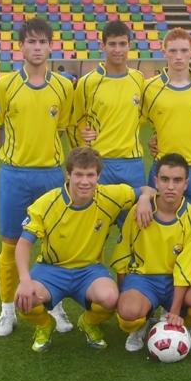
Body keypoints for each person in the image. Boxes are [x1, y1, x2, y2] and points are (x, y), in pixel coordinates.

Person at [14, 147, 156, 352]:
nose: (85, 181)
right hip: (51, 269)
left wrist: (143, 199)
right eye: (79, 174)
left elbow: (148, 190)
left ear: (98, 176)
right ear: (68, 174)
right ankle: (45, 324)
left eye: (91, 175)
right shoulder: (46, 203)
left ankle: (88, 322)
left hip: (90, 270)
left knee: (110, 298)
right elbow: (23, 244)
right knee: (23, 299)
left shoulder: (110, 196)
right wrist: (25, 281)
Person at [0, 17, 75, 338]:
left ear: (51, 46)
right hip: (14, 176)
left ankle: (54, 306)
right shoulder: (4, 85)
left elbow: (64, 128)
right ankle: (6, 310)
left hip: (51, 176)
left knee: (54, 246)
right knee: (10, 246)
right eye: (31, 42)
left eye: (43, 42)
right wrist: (15, 153)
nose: (37, 48)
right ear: (21, 46)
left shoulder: (64, 86)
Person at [111, 153, 191, 353]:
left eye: (177, 180)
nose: (171, 186)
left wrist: (175, 312)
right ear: (156, 181)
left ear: (186, 183)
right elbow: (122, 256)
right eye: (165, 179)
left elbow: (185, 269)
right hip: (143, 279)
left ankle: (184, 325)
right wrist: (124, 295)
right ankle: (140, 325)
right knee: (128, 316)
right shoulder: (140, 212)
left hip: (175, 281)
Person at [69, 20, 146, 227]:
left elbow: (147, 115)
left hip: (132, 163)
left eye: (122, 44)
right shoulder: (88, 82)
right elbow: (74, 119)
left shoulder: (139, 80)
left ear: (130, 45)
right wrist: (81, 138)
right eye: (112, 44)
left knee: (135, 227)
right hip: (99, 163)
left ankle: (133, 261)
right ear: (102, 46)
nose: (118, 49)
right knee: (93, 226)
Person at [141, 28, 191, 208]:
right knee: (160, 225)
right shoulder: (149, 88)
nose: (178, 56)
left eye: (184, 51)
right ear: (164, 52)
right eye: (173, 51)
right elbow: (134, 122)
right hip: (164, 168)